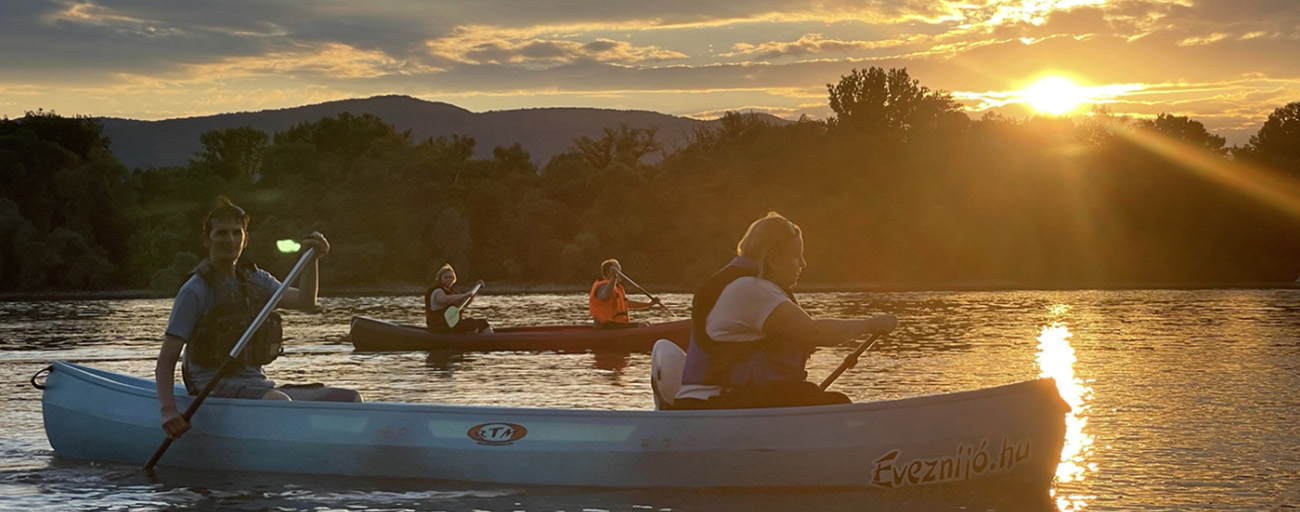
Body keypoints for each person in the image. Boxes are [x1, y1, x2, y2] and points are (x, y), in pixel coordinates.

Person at [156, 197, 361, 440]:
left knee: (349, 399)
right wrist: (168, 411)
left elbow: (305, 301)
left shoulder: (256, 279)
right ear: (207, 240)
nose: (230, 239)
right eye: (221, 233)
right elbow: (166, 361)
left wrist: (311, 259)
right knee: (279, 403)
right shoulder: (195, 291)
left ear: (246, 239)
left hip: (257, 385)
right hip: (210, 389)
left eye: (236, 232)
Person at [673, 211, 896, 409]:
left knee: (821, 398)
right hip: (715, 402)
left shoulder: (749, 286)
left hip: (726, 399)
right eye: (796, 256)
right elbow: (815, 333)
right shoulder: (751, 289)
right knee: (831, 402)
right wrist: (871, 324)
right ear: (772, 258)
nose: (803, 264)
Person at [588, 259, 661, 329]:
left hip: (616, 324)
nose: (620, 273)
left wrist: (649, 304)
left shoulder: (617, 287)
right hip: (605, 325)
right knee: (643, 325)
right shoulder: (603, 285)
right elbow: (605, 295)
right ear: (609, 272)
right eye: (618, 270)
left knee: (647, 323)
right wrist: (614, 277)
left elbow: (627, 304)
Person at [426, 264, 492, 333]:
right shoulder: (437, 290)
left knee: (482, 323)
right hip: (440, 326)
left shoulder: (453, 292)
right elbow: (443, 299)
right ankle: (472, 338)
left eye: (451, 277)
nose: (449, 279)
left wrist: (475, 290)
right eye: (446, 277)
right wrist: (465, 295)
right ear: (440, 279)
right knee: (471, 323)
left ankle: (490, 337)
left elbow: (465, 303)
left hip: (452, 324)